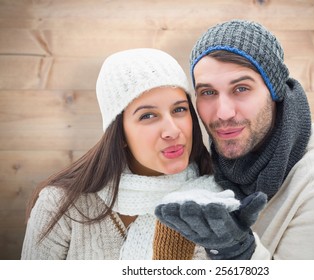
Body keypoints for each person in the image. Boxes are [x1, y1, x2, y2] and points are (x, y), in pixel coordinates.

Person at [155, 20, 314, 259]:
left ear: (274, 90)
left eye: (241, 89)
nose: (223, 112)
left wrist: (238, 254)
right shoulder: (210, 162)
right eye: (208, 92)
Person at [21, 48, 242, 260]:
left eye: (179, 110)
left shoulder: (216, 202)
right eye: (148, 116)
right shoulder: (62, 205)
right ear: (120, 134)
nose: (173, 130)